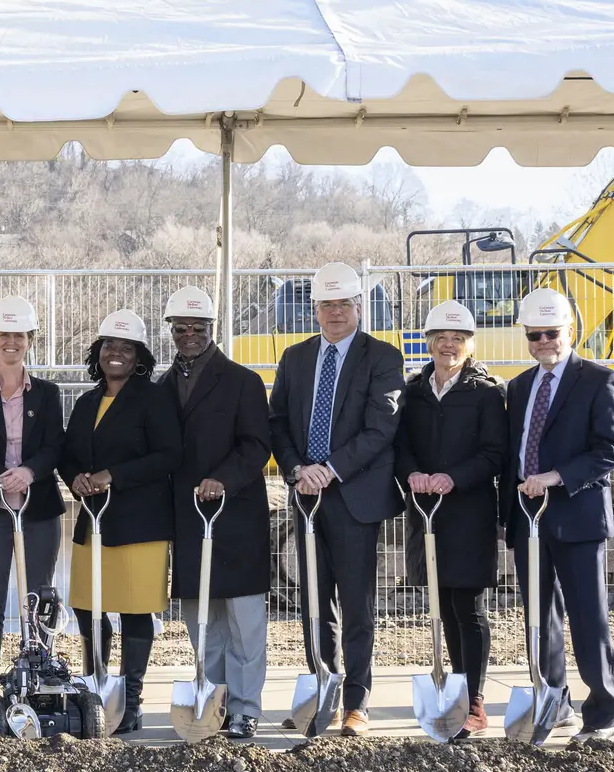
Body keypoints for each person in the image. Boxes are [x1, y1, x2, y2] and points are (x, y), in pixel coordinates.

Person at [267, 262, 404, 737]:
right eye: (327, 304)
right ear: (315, 310)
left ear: (359, 308)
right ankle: (322, 696)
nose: (336, 312)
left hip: (353, 497)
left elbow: (382, 427)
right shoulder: (296, 357)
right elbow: (277, 422)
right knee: (312, 603)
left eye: (344, 303)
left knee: (356, 605)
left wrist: (331, 468)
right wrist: (296, 468)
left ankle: (357, 703)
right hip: (305, 497)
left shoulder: (382, 357)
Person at [504, 286, 614, 744]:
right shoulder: (518, 387)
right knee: (539, 618)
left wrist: (556, 476)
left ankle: (603, 715)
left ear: (568, 330)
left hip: (576, 516)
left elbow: (608, 450)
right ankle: (554, 701)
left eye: (550, 333)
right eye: (533, 335)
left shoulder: (598, 380)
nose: (542, 343)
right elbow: (511, 456)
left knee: (587, 616)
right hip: (528, 520)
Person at [156, 286, 271, 739]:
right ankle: (217, 704)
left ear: (211, 330)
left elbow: (257, 444)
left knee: (245, 622)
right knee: (202, 623)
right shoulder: (163, 385)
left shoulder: (242, 381)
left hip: (236, 516)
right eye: (180, 329)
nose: (188, 335)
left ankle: (245, 709)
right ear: (171, 331)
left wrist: (224, 478)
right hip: (188, 518)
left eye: (196, 328)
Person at [60, 309, 181, 734]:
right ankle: (97, 684)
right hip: (93, 518)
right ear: (99, 352)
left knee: (135, 610)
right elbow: (68, 454)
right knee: (86, 606)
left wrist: (114, 475)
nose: (116, 353)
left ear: (139, 357)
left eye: (126, 348)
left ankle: (130, 700)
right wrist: (74, 477)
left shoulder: (154, 397)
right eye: (110, 345)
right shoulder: (88, 401)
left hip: (140, 522)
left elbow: (169, 455)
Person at [394, 299, 507, 738]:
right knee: (441, 605)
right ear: (428, 342)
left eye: (457, 338)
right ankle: (451, 692)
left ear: (470, 344)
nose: (449, 345)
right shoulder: (414, 392)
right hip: (424, 512)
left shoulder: (485, 393)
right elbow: (399, 445)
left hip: (468, 511)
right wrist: (413, 474)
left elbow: (494, 454)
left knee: (469, 607)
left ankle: (473, 700)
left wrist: (452, 478)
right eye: (441, 337)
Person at [0, 296, 64, 687]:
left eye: (19, 335)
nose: (11, 342)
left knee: (39, 597)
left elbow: (56, 444)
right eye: (4, 334)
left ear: (30, 340)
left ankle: (40, 673)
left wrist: (29, 472)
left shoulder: (47, 394)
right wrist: (2, 475)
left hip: (38, 510)